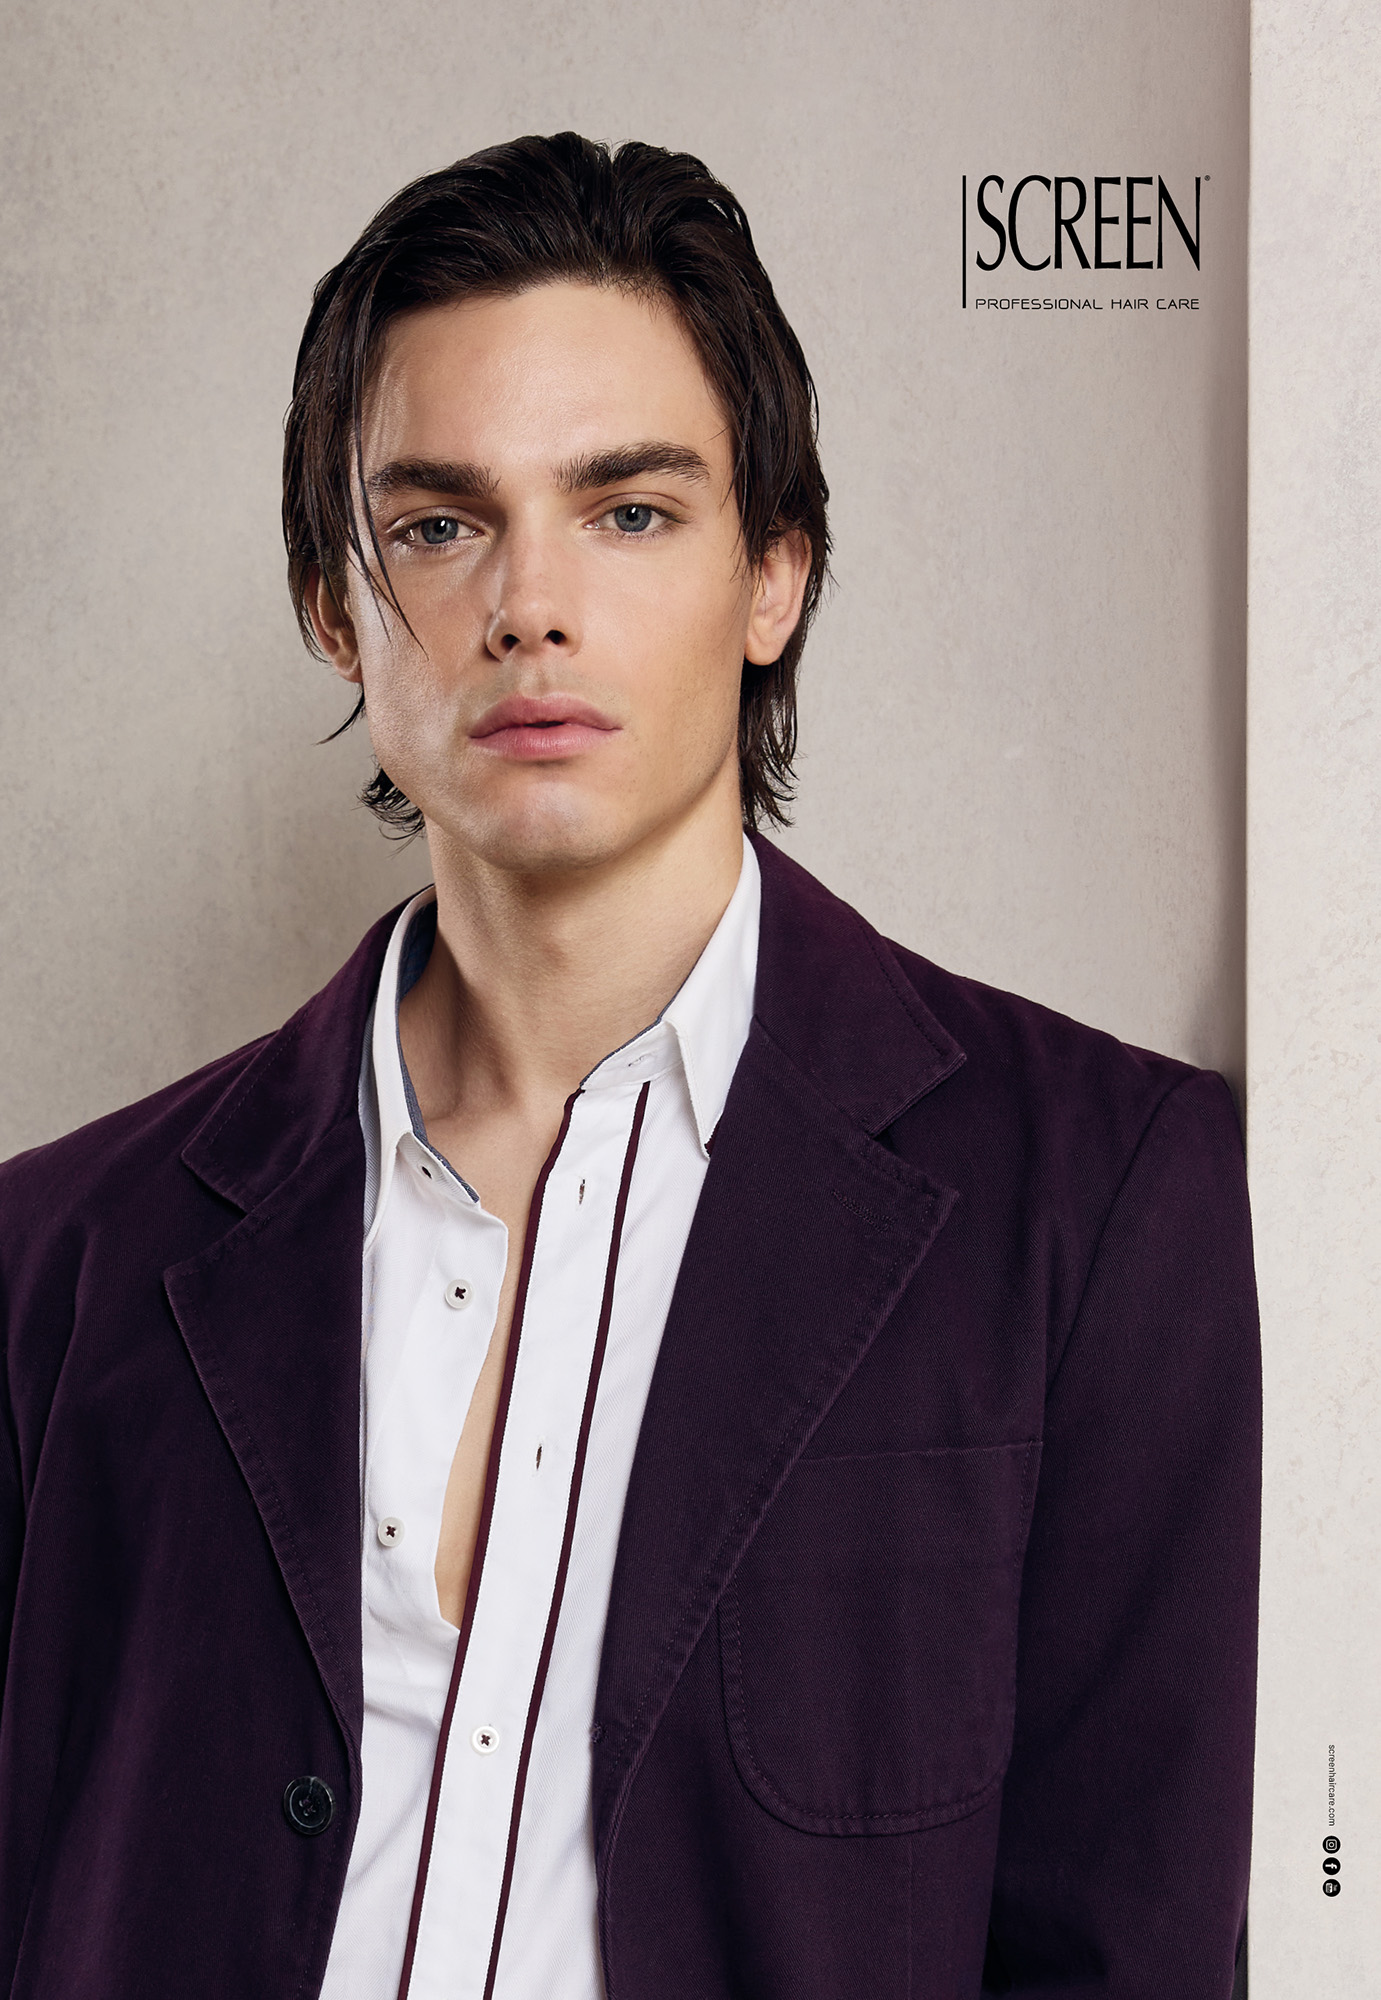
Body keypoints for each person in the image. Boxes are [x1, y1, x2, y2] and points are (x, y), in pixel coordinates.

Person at [0, 133, 1259, 1999]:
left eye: (630, 512)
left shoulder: (1097, 1193)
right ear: (335, 608)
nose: (530, 603)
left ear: (774, 578)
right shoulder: (58, 1257)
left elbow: (1123, 1943)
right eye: (439, 525)